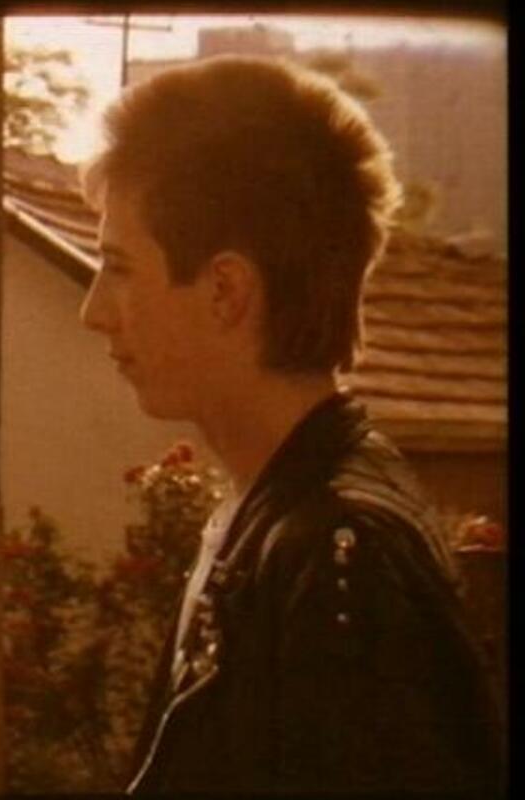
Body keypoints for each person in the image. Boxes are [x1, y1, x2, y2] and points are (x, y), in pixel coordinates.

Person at [79, 55, 504, 794]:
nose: (93, 311)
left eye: (118, 267)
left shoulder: (340, 551)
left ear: (226, 290)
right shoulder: (273, 515)